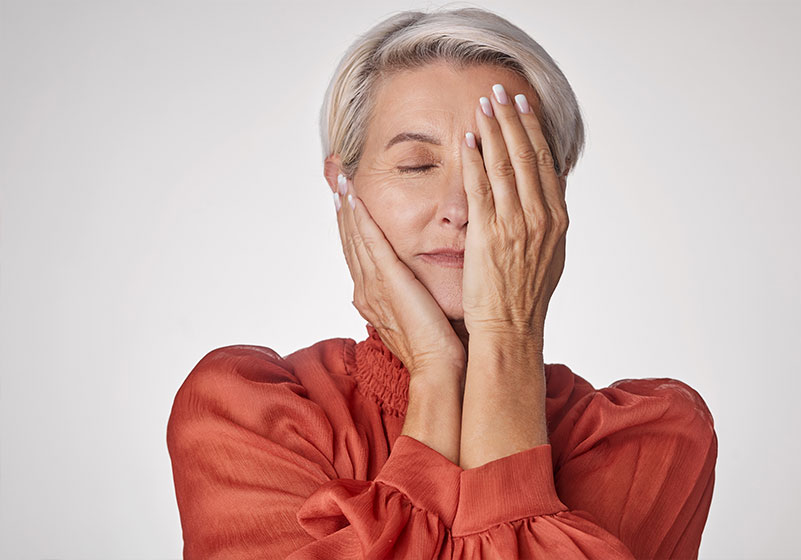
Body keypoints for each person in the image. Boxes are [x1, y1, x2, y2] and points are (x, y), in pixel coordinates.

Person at [166, 7, 717, 559]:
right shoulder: (244, 414)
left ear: (553, 196)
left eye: (499, 168)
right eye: (416, 166)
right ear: (344, 186)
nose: (459, 207)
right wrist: (434, 374)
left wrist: (507, 338)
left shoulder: (649, 438)